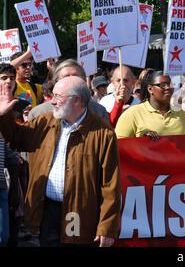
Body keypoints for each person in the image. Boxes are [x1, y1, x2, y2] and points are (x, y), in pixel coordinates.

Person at [0, 76, 121, 246]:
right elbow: (15, 138)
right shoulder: (45, 122)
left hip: (78, 213)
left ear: (77, 100)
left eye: (58, 97)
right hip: (47, 210)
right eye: (53, 96)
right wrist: (4, 116)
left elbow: (111, 184)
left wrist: (107, 227)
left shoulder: (103, 133)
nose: (53, 102)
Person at [115, 71, 185, 138]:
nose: (168, 88)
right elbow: (120, 146)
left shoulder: (182, 113)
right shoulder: (132, 114)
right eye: (163, 85)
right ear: (150, 89)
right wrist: (142, 139)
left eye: (171, 84)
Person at [27, 59, 109, 123]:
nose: (71, 81)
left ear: (84, 81)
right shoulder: (38, 114)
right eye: (66, 77)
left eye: (75, 76)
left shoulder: (99, 111)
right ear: (56, 83)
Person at [0, 63, 20, 246]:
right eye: (3, 77)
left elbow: (6, 144)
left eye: (11, 78)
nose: (8, 81)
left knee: (4, 237)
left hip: (2, 183)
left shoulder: (15, 104)